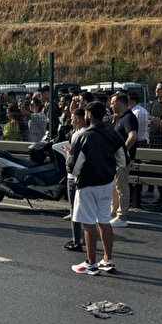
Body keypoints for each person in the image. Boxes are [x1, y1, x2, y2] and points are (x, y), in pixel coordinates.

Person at [67, 101, 126, 275]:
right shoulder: (113, 133)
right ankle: (107, 259)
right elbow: (123, 159)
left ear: (89, 115)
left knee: (88, 223)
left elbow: (74, 167)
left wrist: (69, 156)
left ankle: (91, 263)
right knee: (104, 221)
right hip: (107, 183)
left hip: (87, 184)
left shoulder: (83, 137)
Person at [109, 92, 137, 227]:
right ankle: (114, 213)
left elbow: (133, 136)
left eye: (113, 103)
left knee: (121, 187)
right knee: (114, 186)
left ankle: (121, 216)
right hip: (117, 159)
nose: (111, 105)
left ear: (120, 103)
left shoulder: (129, 118)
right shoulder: (121, 118)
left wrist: (122, 153)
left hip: (122, 160)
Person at [62, 108, 88, 251]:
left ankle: (76, 240)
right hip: (86, 176)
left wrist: (68, 153)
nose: (71, 121)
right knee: (86, 210)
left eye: (72, 118)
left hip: (73, 176)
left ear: (78, 118)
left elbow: (73, 158)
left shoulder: (77, 134)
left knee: (74, 209)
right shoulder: (91, 132)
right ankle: (86, 238)